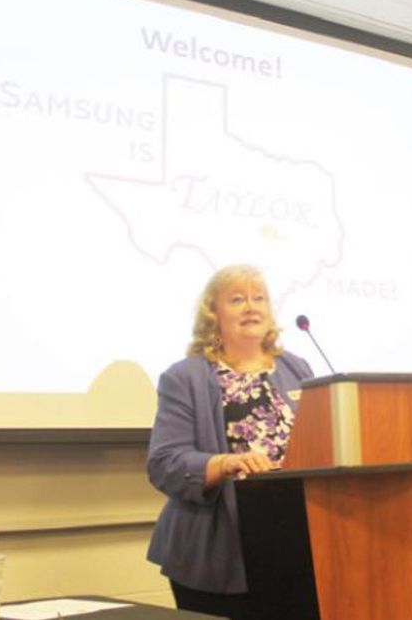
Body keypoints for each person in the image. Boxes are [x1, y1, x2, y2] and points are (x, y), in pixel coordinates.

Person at [146, 264, 316, 619]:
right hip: (218, 547)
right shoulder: (185, 377)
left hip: (297, 538)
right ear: (214, 314)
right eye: (237, 299)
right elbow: (165, 462)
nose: (251, 307)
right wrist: (225, 463)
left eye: (259, 298)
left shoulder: (296, 368)